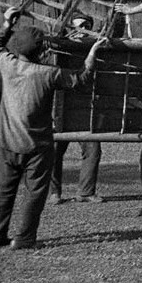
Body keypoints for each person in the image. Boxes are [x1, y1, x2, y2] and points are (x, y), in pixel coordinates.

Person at [0, 6, 106, 250]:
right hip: (38, 147)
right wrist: (93, 51)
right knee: (34, 193)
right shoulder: (48, 74)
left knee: (3, 190)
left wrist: (7, 23)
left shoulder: (7, 65)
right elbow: (82, 78)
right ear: (42, 51)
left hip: (9, 143)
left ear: (17, 49)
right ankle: (25, 238)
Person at [51, 14, 105, 205]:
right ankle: (54, 193)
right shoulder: (61, 47)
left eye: (86, 26)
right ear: (70, 30)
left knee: (93, 150)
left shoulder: (96, 47)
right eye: (78, 27)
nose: (82, 30)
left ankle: (85, 192)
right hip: (61, 109)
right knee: (54, 150)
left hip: (85, 109)